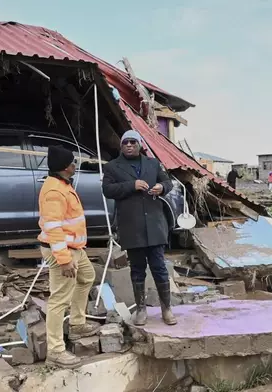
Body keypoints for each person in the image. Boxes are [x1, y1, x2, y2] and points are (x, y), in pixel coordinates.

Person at [102, 130, 177, 326]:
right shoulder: (112, 167)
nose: (129, 145)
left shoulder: (152, 164)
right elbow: (107, 190)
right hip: (131, 226)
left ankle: (166, 308)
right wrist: (131, 185)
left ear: (140, 144)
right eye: (125, 142)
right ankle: (141, 309)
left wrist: (162, 187)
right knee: (137, 270)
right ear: (121, 146)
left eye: (133, 142)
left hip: (154, 224)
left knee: (160, 268)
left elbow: (168, 182)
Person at [38, 145, 98, 367]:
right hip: (62, 250)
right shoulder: (54, 191)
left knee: (87, 277)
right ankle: (55, 351)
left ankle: (77, 324)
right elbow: (54, 229)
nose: (75, 165)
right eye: (73, 162)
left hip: (74, 249)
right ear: (65, 167)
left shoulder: (62, 184)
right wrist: (64, 260)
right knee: (59, 299)